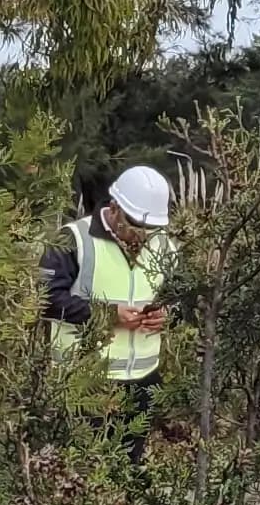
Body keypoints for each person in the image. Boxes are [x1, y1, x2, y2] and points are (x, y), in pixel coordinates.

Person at [42, 164, 175, 390]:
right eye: (134, 224)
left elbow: (181, 296)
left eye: (150, 226)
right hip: (82, 379)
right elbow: (46, 300)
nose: (142, 233)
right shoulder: (73, 239)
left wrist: (168, 314)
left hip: (145, 378)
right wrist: (107, 314)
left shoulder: (165, 246)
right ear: (114, 208)